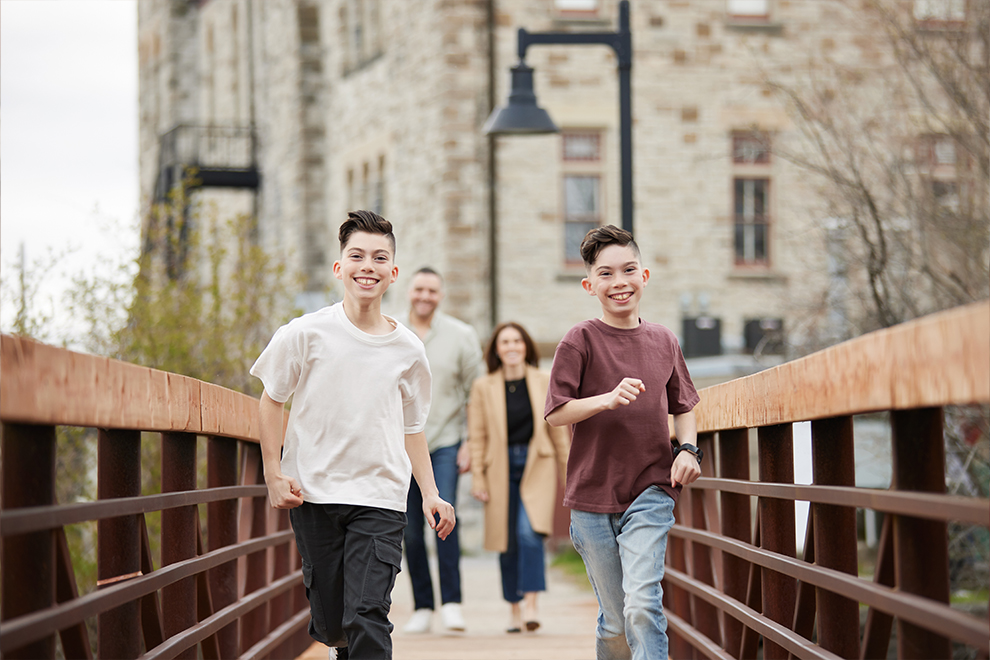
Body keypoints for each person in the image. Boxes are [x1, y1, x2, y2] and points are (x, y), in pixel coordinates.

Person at [251, 210, 456, 660]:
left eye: (379, 257)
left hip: (380, 496)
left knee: (367, 614)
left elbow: (412, 427)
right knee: (334, 625)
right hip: (314, 493)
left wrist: (431, 493)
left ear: (393, 273)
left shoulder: (408, 349)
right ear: (339, 267)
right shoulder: (304, 334)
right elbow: (271, 399)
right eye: (357, 255)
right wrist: (272, 472)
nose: (368, 265)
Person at [544, 224, 703, 660]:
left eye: (628, 270)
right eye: (607, 274)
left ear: (644, 276)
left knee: (642, 605)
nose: (620, 283)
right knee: (615, 621)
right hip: (592, 499)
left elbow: (684, 405)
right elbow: (556, 412)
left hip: (651, 489)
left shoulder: (664, 341)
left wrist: (688, 449)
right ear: (589, 285)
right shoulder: (579, 341)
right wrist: (606, 400)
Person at [467, 321, 570, 634]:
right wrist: (478, 479)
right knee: (506, 540)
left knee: (530, 533)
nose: (511, 347)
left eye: (517, 341)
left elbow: (558, 431)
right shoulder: (483, 386)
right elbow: (478, 436)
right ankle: (513, 609)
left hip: (537, 465)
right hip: (498, 468)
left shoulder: (544, 380)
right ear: (496, 350)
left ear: (526, 346)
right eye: (505, 342)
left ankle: (532, 606)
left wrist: (569, 477)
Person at [400, 267, 485, 634]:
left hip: (447, 441)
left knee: (445, 518)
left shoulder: (461, 336)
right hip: (400, 444)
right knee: (410, 528)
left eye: (432, 290)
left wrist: (470, 442)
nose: (425, 296)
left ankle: (451, 603)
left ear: (441, 294)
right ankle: (422, 606)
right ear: (408, 290)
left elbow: (475, 394)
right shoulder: (392, 331)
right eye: (419, 289)